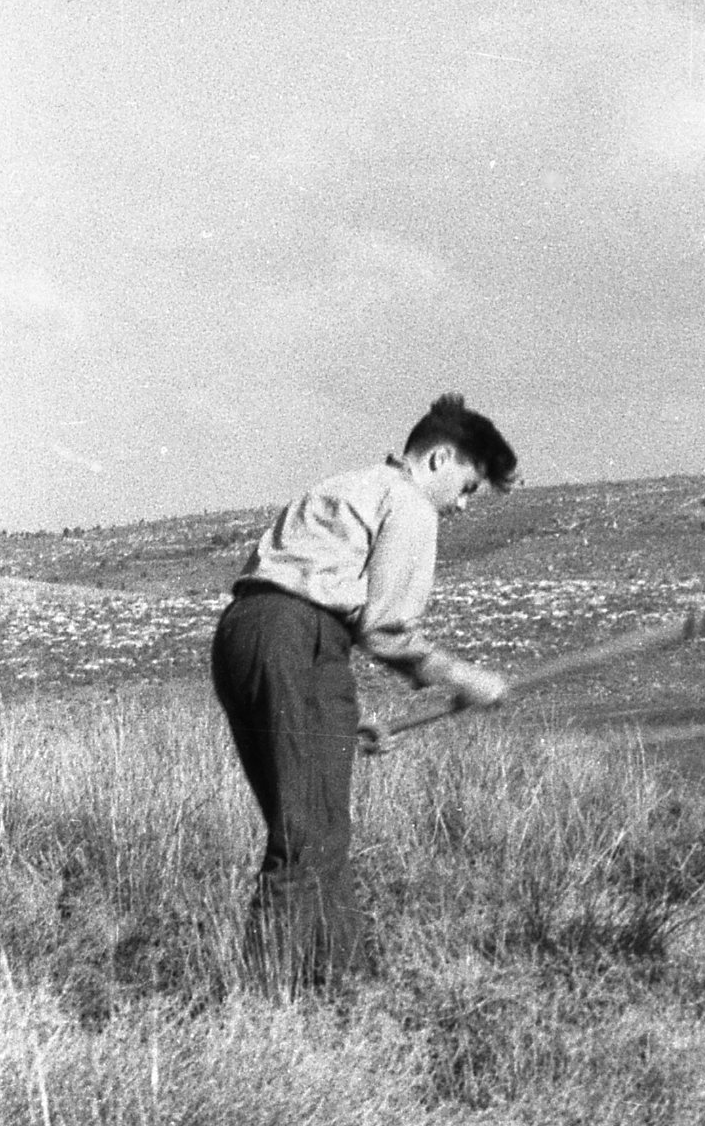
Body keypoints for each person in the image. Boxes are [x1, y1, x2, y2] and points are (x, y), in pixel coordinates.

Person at [208, 395, 519, 981]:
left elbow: (299, 603)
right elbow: (385, 630)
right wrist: (466, 679)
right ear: (438, 460)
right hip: (296, 641)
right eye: (468, 488)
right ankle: (257, 1010)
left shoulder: (351, 485)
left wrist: (342, 717)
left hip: (245, 636)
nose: (461, 505)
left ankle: (340, 991)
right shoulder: (410, 502)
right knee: (309, 834)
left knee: (314, 827)